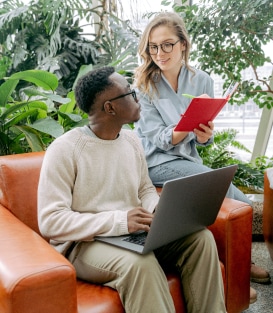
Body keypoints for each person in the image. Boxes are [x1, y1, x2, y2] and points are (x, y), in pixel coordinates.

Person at [38, 66, 227, 313]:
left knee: (200, 239)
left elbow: (145, 188)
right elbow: (50, 222)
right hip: (84, 244)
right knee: (140, 264)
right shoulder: (65, 150)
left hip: (132, 233)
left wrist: (157, 207)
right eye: (130, 93)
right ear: (110, 107)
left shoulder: (131, 140)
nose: (138, 97)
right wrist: (119, 221)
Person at [133, 12, 270, 303]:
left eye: (167, 44)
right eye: (153, 47)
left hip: (187, 161)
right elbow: (159, 138)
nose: (160, 53)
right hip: (155, 163)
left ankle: (239, 264)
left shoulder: (202, 80)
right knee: (229, 194)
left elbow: (202, 140)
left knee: (238, 201)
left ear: (183, 44)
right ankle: (236, 272)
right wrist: (185, 128)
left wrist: (204, 135)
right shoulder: (143, 85)